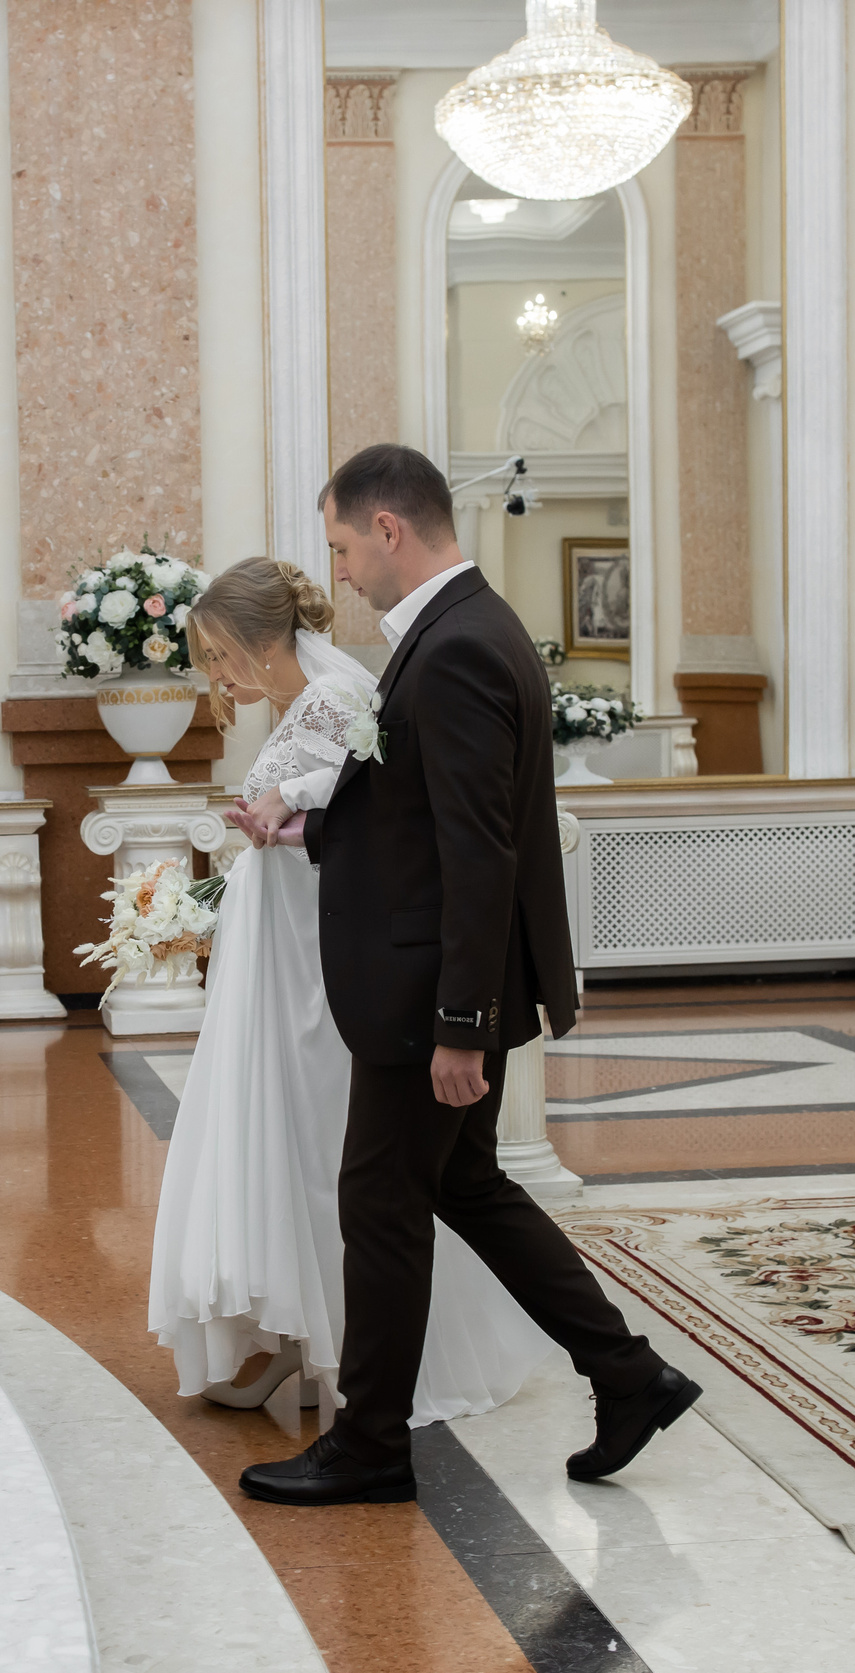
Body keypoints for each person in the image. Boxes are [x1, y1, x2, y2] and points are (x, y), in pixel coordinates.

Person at [233, 444, 699, 1507]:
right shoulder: (455, 634)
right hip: (430, 983)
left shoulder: (455, 650)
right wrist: (305, 826)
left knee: (379, 1204)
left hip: (425, 996)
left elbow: (476, 852)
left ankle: (371, 1446)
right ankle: (629, 1375)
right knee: (462, 1185)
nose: (341, 571)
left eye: (345, 546)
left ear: (388, 530)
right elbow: (410, 826)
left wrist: (459, 1022)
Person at [147, 557, 555, 1431]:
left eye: (221, 656)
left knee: (345, 1157)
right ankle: (300, 1336)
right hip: (282, 953)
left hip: (316, 971)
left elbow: (376, 820)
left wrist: (281, 811)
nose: (217, 677)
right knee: (294, 1143)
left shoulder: (337, 697)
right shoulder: (305, 705)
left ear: (263, 642)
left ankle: (354, 1359)